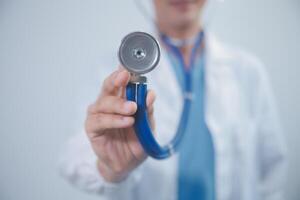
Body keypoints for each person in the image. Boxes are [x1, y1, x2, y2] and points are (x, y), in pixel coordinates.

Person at [58, 0, 287, 199]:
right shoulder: (111, 72)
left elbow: (272, 171)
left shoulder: (247, 71)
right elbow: (72, 158)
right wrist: (111, 168)